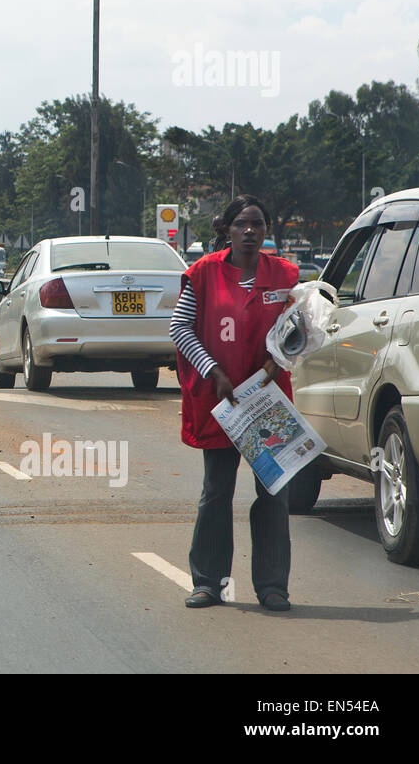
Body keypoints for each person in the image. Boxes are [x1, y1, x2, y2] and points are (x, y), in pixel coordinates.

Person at [170, 194, 298, 612]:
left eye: (257, 224)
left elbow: (301, 330)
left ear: (266, 231)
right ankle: (209, 583)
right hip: (223, 402)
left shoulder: (284, 275)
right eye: (241, 223)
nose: (249, 231)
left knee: (273, 493)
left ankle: (273, 587)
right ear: (226, 229)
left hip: (267, 402)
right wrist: (213, 372)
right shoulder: (204, 273)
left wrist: (278, 362)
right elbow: (180, 327)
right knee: (217, 490)